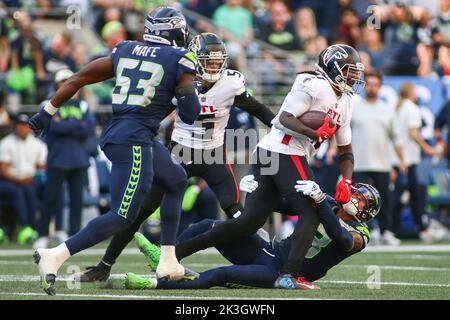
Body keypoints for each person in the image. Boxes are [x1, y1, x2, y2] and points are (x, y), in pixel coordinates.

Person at [73, 32, 275, 283]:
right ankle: (104, 265)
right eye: (208, 61)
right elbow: (155, 113)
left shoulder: (232, 83)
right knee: (141, 210)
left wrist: (278, 127)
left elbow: (256, 107)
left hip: (213, 154)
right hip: (180, 151)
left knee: (236, 212)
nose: (213, 67)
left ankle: (264, 258)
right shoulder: (180, 76)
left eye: (216, 62)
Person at [28, 6, 201, 295]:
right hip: (133, 139)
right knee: (122, 215)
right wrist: (191, 86)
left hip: (122, 131)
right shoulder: (178, 59)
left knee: (176, 179)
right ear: (174, 32)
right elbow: (191, 113)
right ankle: (55, 255)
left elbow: (78, 78)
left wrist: (47, 111)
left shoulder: (126, 50)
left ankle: (169, 261)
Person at [166, 44, 365, 290]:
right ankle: (288, 275)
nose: (354, 77)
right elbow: (284, 118)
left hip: (280, 152)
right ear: (333, 69)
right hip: (283, 150)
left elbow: (345, 149)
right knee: (311, 212)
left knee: (248, 223)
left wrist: (346, 179)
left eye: (356, 72)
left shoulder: (346, 100)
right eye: (349, 71)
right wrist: (313, 131)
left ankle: (173, 255)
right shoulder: (314, 84)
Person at [124, 180, 380, 290]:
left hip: (280, 273)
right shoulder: (331, 204)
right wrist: (256, 191)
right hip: (266, 251)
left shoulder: (360, 233)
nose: (354, 199)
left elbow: (342, 239)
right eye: (355, 193)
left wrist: (322, 201)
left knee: (220, 275)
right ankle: (166, 256)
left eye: (361, 200)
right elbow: (278, 205)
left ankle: (156, 283)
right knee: (209, 226)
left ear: (368, 212)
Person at [34, 69, 96, 249]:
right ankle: (43, 234)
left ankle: (73, 234)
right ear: (56, 84)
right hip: (57, 158)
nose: (67, 84)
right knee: (50, 198)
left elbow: (89, 129)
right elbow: (53, 127)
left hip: (79, 159)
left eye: (69, 81)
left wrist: (65, 125)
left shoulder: (83, 106)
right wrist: (77, 125)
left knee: (77, 200)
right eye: (63, 81)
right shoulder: (49, 104)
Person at [351, 71, 405, 245]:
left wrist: (400, 161)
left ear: (380, 87)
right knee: (358, 201)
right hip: (359, 162)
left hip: (382, 163)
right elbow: (344, 135)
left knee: (384, 200)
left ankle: (386, 231)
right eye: (370, 84)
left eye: (376, 84)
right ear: (365, 86)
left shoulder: (387, 111)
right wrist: (332, 151)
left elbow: (396, 139)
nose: (372, 88)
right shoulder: (355, 109)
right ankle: (366, 230)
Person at [391, 83, 443, 243]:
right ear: (411, 93)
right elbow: (414, 134)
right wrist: (428, 149)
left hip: (397, 157)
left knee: (410, 193)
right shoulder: (412, 108)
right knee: (402, 194)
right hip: (406, 159)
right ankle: (390, 228)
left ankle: (418, 227)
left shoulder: (398, 107)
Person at [0, 114, 47, 244]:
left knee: (28, 189)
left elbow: (42, 166)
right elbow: (3, 170)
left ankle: (32, 229)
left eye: (26, 126)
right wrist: (19, 180)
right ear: (15, 127)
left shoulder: (37, 144)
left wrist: (33, 177)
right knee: (19, 190)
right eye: (20, 125)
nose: (23, 129)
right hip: (8, 181)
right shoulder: (6, 143)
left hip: (30, 180)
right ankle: (26, 227)